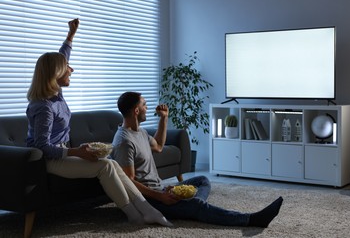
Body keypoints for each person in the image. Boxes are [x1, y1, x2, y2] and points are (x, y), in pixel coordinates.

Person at [26, 19, 172, 227]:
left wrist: (71, 35)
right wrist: (77, 152)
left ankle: (147, 211)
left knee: (111, 163)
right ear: (56, 74)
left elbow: (62, 57)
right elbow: (42, 146)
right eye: (67, 68)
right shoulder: (44, 106)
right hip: (49, 160)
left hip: (61, 153)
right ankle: (135, 214)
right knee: (105, 166)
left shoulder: (55, 93)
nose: (71, 70)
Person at [111, 91, 284, 227]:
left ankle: (189, 206)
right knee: (197, 207)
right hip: (148, 200)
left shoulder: (139, 132)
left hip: (160, 189)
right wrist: (160, 197)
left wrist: (164, 118)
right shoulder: (124, 141)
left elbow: (158, 146)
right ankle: (250, 219)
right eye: (144, 105)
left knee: (202, 180)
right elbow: (129, 182)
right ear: (136, 111)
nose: (147, 108)